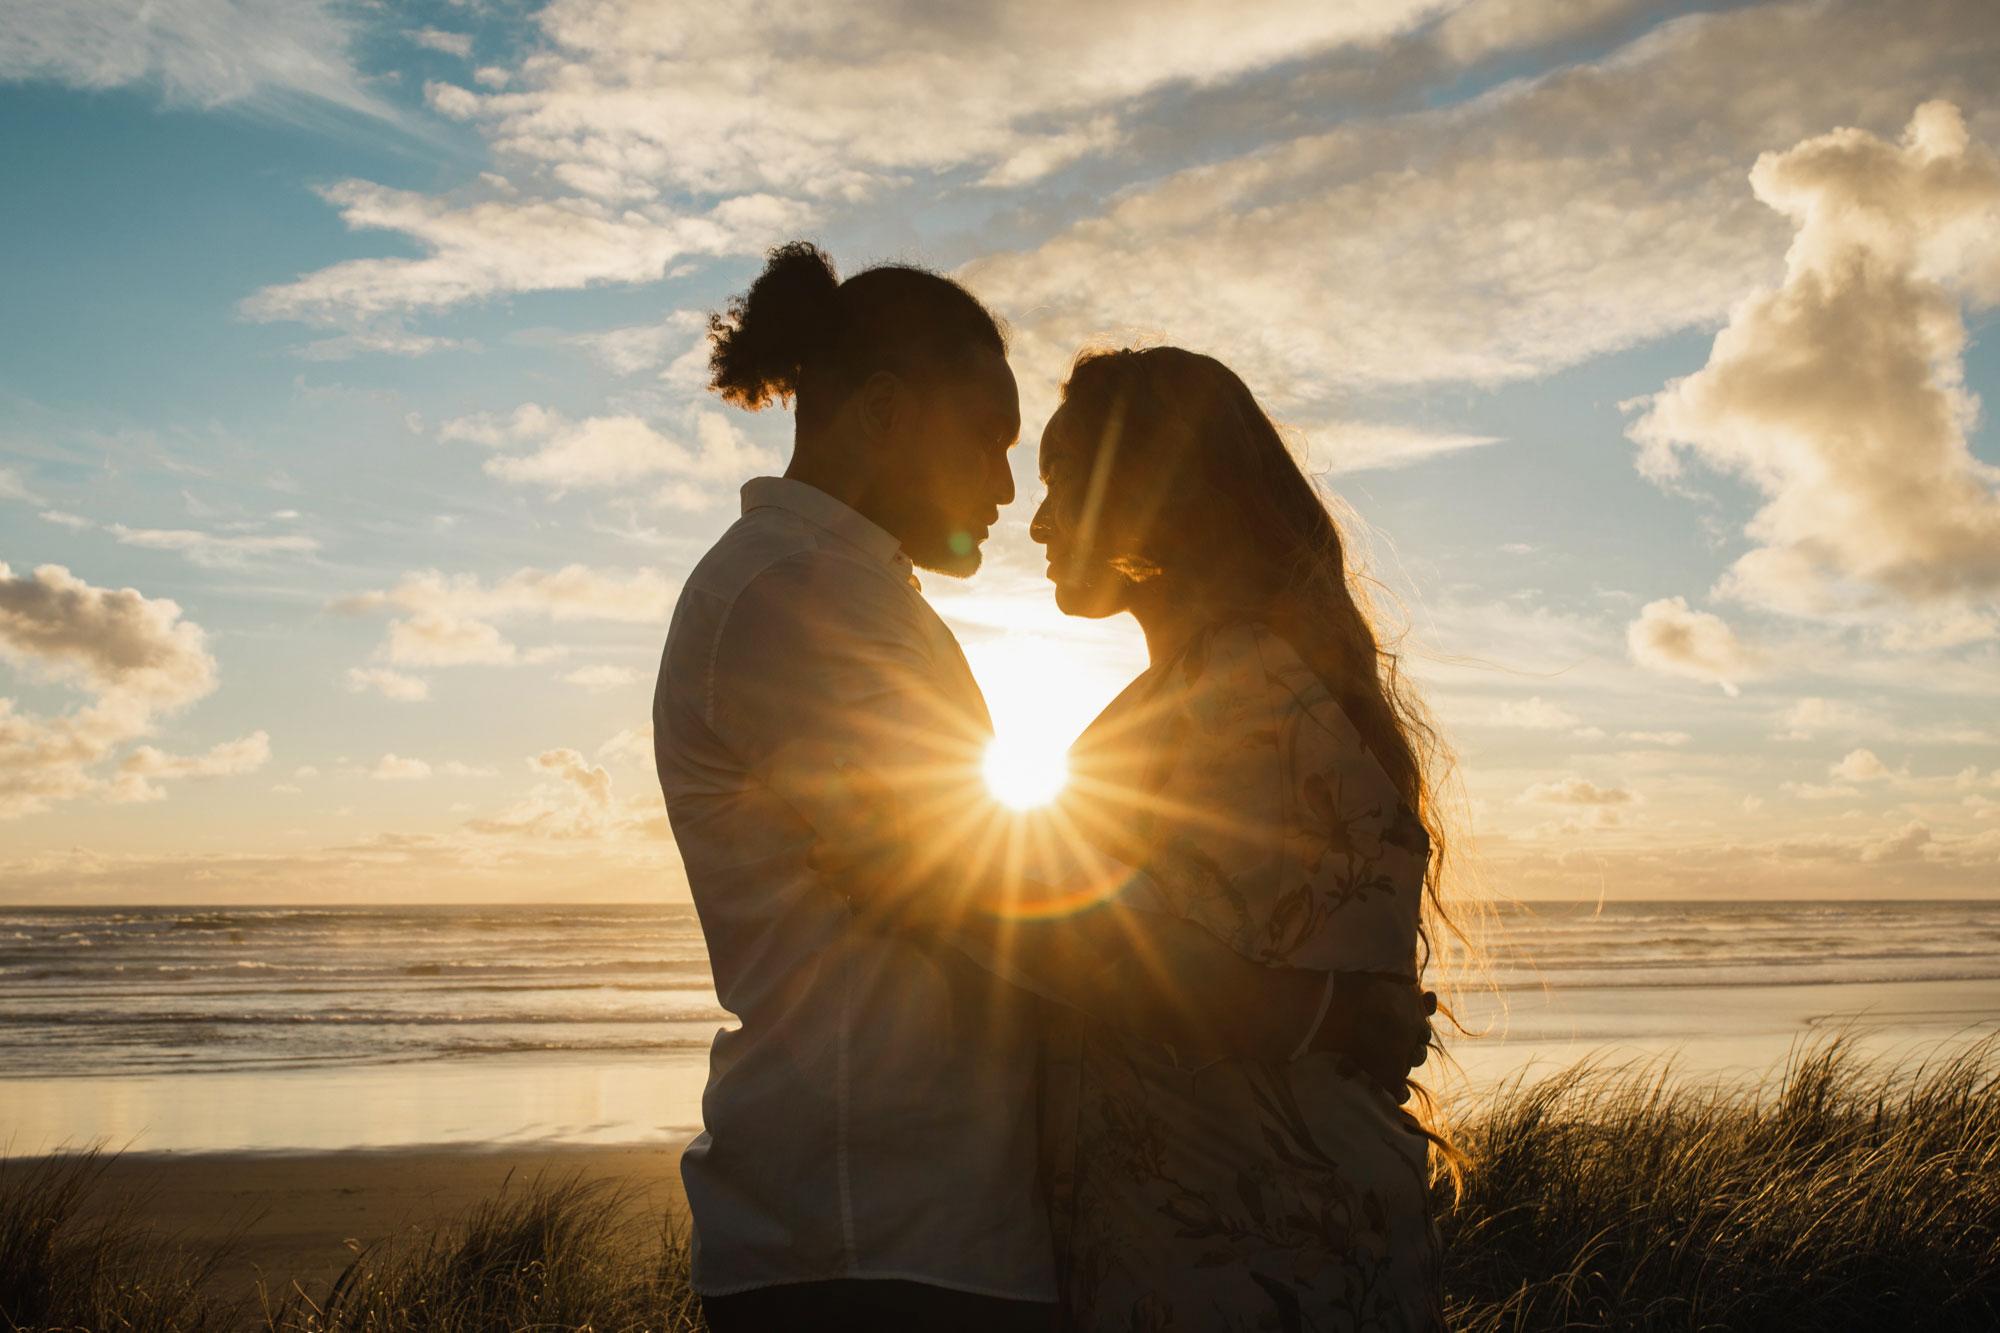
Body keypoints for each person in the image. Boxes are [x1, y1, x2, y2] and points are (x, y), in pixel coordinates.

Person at [653, 244, 1430, 1333]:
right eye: (989, 442)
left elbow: (999, 883)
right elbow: (968, 884)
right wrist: (1324, 1011)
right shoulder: (796, 596)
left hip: (927, 1225)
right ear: (884, 415)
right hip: (867, 1233)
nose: (1008, 491)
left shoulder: (850, 595)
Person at [822, 347, 1452, 1329]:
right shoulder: (1183, 688)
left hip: (1259, 1242)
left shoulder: (1246, 686)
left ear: (1155, 490)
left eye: (1064, 481)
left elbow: (1174, 972)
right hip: (1196, 1222)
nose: (1035, 520)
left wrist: (915, 879)